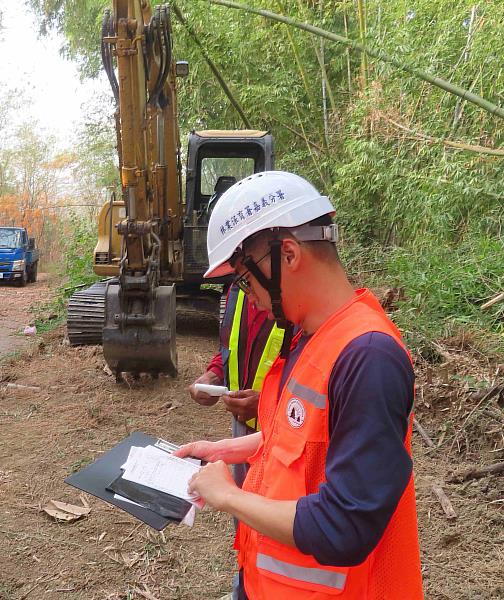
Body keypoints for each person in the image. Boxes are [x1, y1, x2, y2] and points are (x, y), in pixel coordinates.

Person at [176, 171, 424, 599]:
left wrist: (229, 497)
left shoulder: (368, 358)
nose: (247, 295)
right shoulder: (311, 338)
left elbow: (345, 526)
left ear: (287, 255)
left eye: (244, 279)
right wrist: (225, 449)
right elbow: (302, 443)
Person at [189, 283, 284, 486]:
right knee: (244, 495)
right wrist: (213, 375)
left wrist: (266, 404)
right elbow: (232, 344)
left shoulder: (299, 300)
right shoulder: (238, 289)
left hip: (283, 435)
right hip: (243, 426)